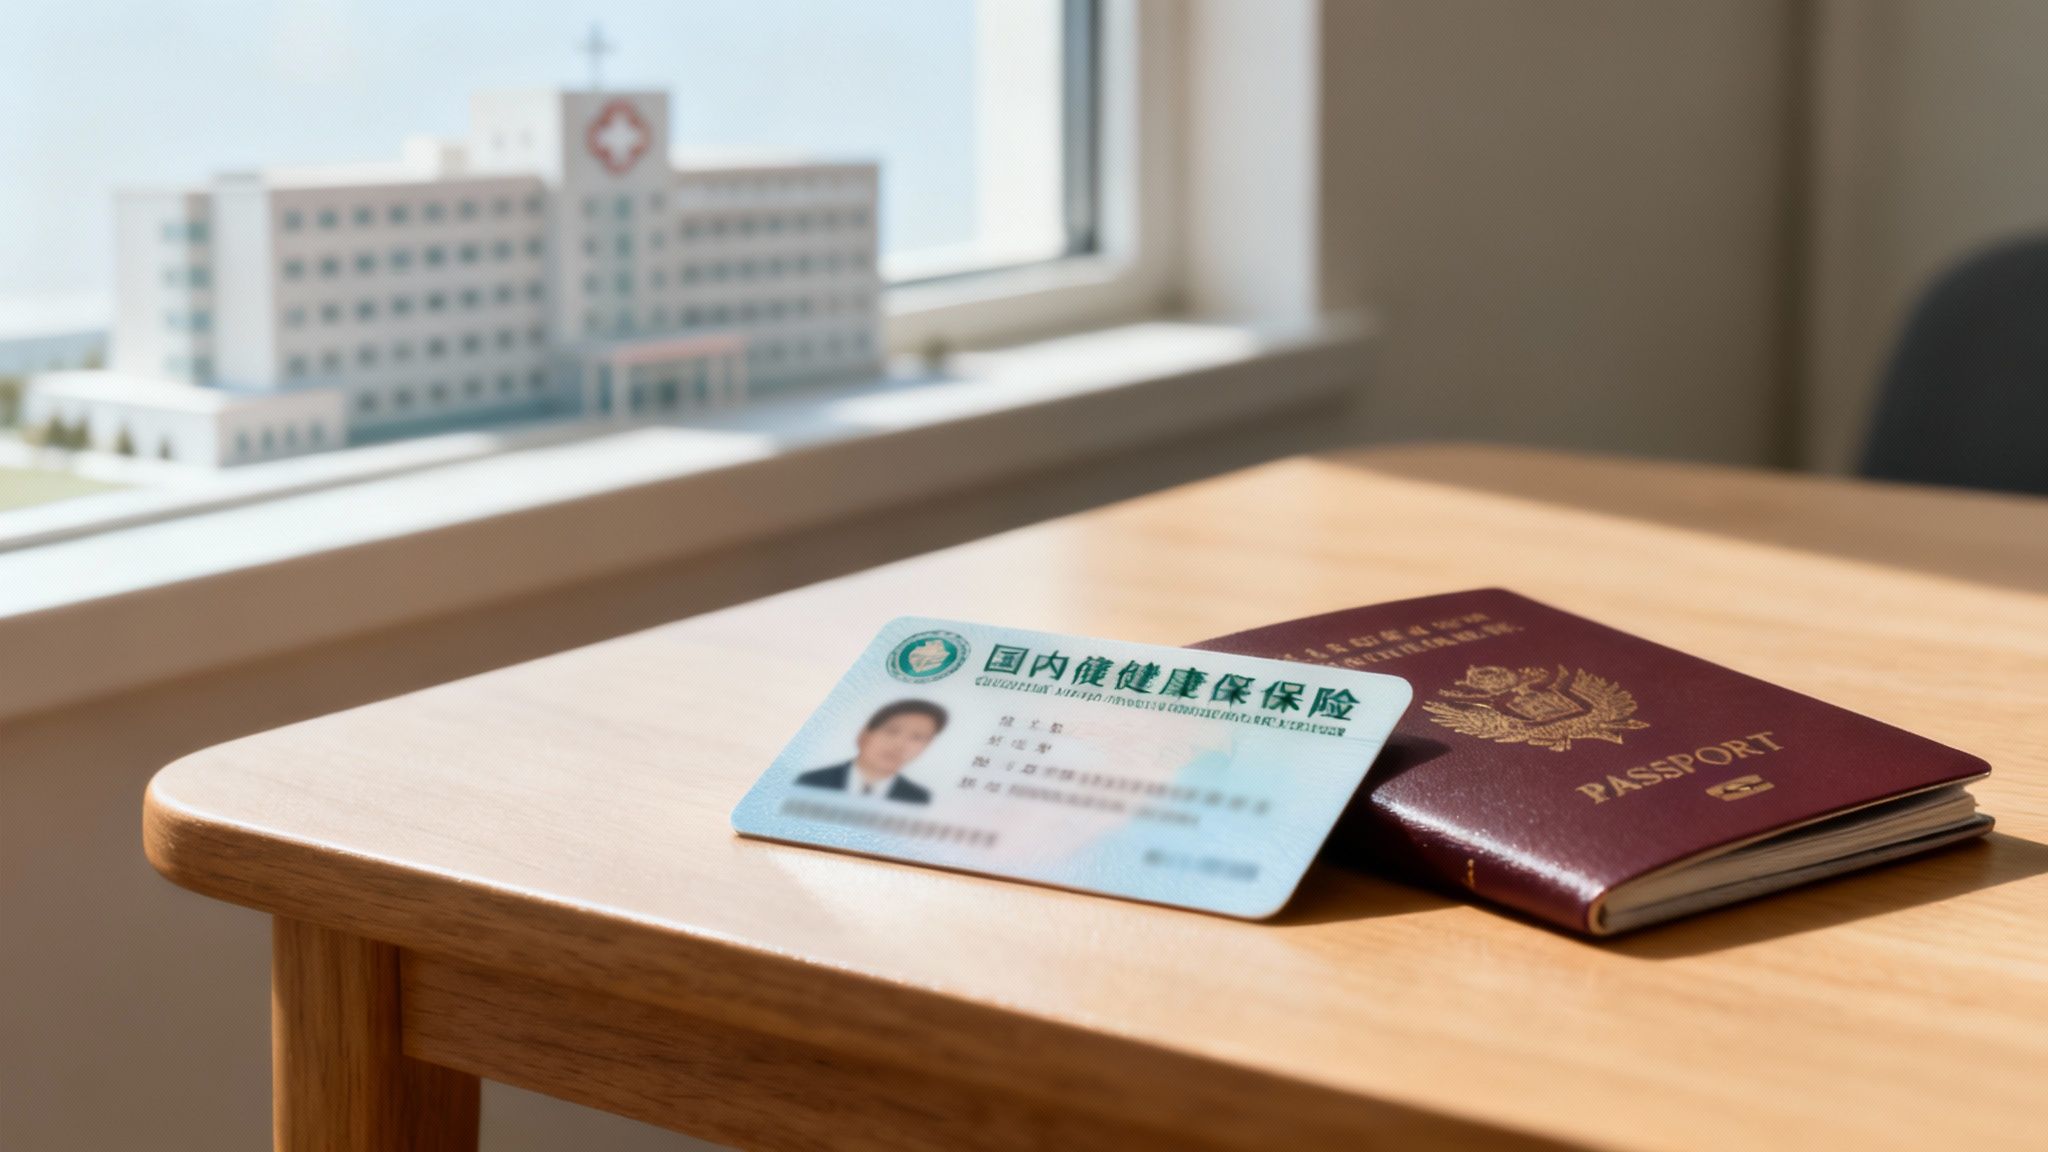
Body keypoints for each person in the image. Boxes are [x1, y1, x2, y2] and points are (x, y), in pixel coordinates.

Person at [796, 699, 946, 804]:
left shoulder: (919, 799)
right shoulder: (809, 781)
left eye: (917, 737)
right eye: (892, 731)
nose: (900, 745)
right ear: (864, 735)